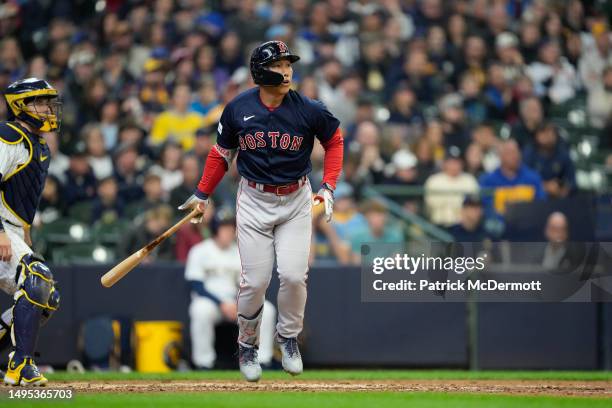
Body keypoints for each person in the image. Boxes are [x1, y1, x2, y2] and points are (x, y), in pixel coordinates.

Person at [178, 41, 343, 382]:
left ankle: (288, 337)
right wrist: (201, 194)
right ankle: (247, 344)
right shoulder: (237, 108)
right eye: (278, 65)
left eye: (288, 65)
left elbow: (335, 139)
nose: (286, 71)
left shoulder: (308, 109)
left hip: (296, 198)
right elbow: (221, 154)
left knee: (295, 275)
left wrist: (328, 185)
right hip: (254, 199)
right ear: (259, 72)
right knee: (254, 282)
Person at [0, 78, 62, 386]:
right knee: (36, 278)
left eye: (50, 102)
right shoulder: (8, 135)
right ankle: (20, 366)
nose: (49, 109)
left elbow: (18, 196)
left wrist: (23, 230)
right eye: (41, 102)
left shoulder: (38, 144)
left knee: (47, 296)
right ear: (20, 107)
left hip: (12, 228)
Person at [185, 211, 276, 370]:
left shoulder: (240, 253)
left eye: (231, 228)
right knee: (200, 310)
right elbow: (196, 286)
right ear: (215, 229)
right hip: (210, 302)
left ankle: (263, 360)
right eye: (224, 228)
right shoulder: (199, 251)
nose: (228, 232)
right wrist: (222, 304)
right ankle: (203, 363)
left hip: (235, 302)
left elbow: (246, 285)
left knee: (266, 309)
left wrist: (237, 302)